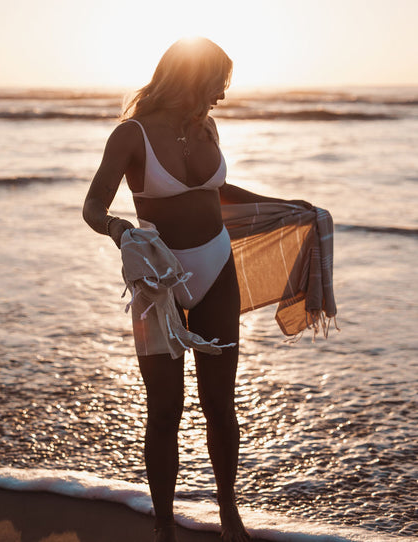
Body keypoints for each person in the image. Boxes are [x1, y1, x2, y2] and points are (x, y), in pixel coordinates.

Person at [83, 37, 293, 542]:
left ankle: (229, 517)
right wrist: (120, 231)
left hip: (218, 272)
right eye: (218, 84)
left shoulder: (208, 128)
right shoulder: (130, 134)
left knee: (220, 403)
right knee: (165, 409)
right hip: (158, 285)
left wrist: (284, 205)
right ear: (194, 79)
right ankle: (163, 526)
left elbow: (215, 194)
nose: (221, 96)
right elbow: (93, 207)